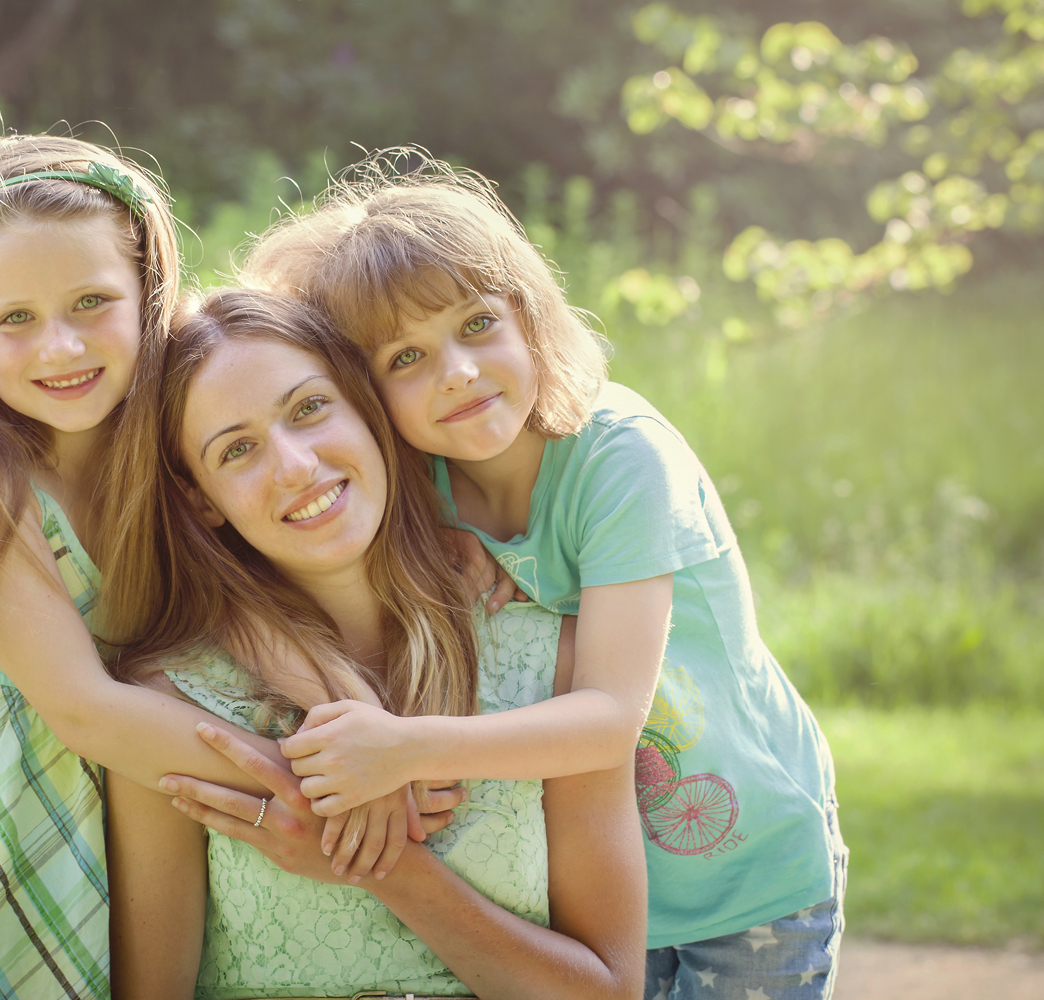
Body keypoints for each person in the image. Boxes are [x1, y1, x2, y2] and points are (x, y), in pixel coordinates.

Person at [0, 133, 421, 1000]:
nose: (60, 347)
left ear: (147, 292)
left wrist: (354, 723)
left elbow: (236, 610)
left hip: (131, 801)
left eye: (92, 302)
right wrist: (323, 788)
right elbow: (87, 713)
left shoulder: (172, 452)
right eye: (16, 318)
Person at [239, 150, 848, 1000]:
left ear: (528, 316)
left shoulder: (620, 457)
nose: (456, 370)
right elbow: (250, 588)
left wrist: (401, 751)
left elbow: (605, 722)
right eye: (404, 359)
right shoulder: (415, 488)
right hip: (586, 875)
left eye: (477, 323)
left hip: (742, 871)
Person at [106, 287, 646, 999]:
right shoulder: (169, 707)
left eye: (309, 408)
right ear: (202, 499)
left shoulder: (551, 664)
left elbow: (607, 992)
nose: (296, 465)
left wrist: (385, 867)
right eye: (237, 450)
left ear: (369, 412)